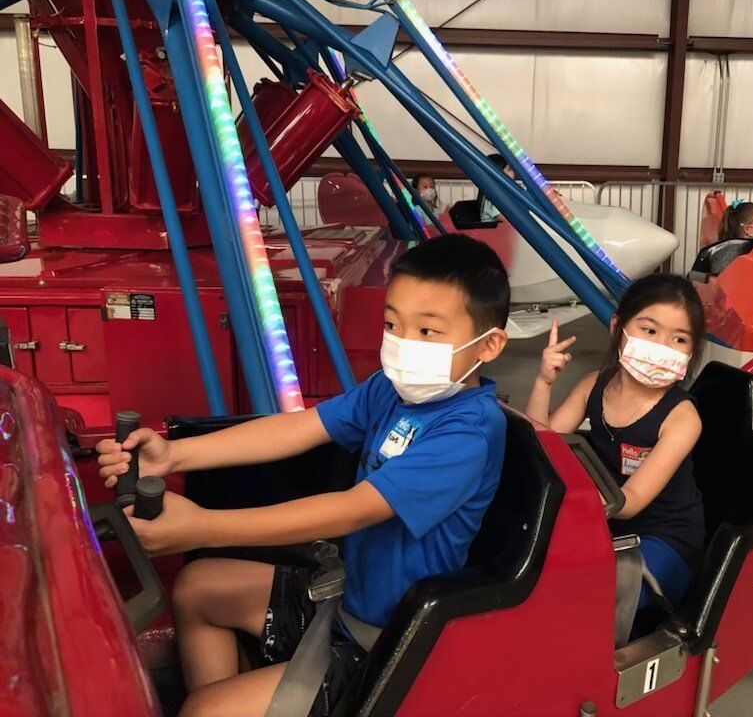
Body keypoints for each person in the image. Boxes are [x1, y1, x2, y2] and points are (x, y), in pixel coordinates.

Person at [95, 234, 511, 717]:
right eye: (392, 324)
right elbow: (300, 427)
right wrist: (173, 456)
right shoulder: (391, 391)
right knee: (197, 587)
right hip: (345, 597)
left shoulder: (467, 433)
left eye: (428, 332)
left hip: (389, 641)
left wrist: (202, 526)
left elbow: (349, 511)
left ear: (491, 344)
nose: (401, 345)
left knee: (204, 710)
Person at [524, 274, 705, 609]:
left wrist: (574, 499)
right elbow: (543, 443)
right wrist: (544, 382)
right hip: (603, 523)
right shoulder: (594, 385)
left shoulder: (682, 418)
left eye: (679, 339)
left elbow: (631, 501)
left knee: (593, 605)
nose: (660, 347)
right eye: (649, 330)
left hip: (663, 537)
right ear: (617, 328)